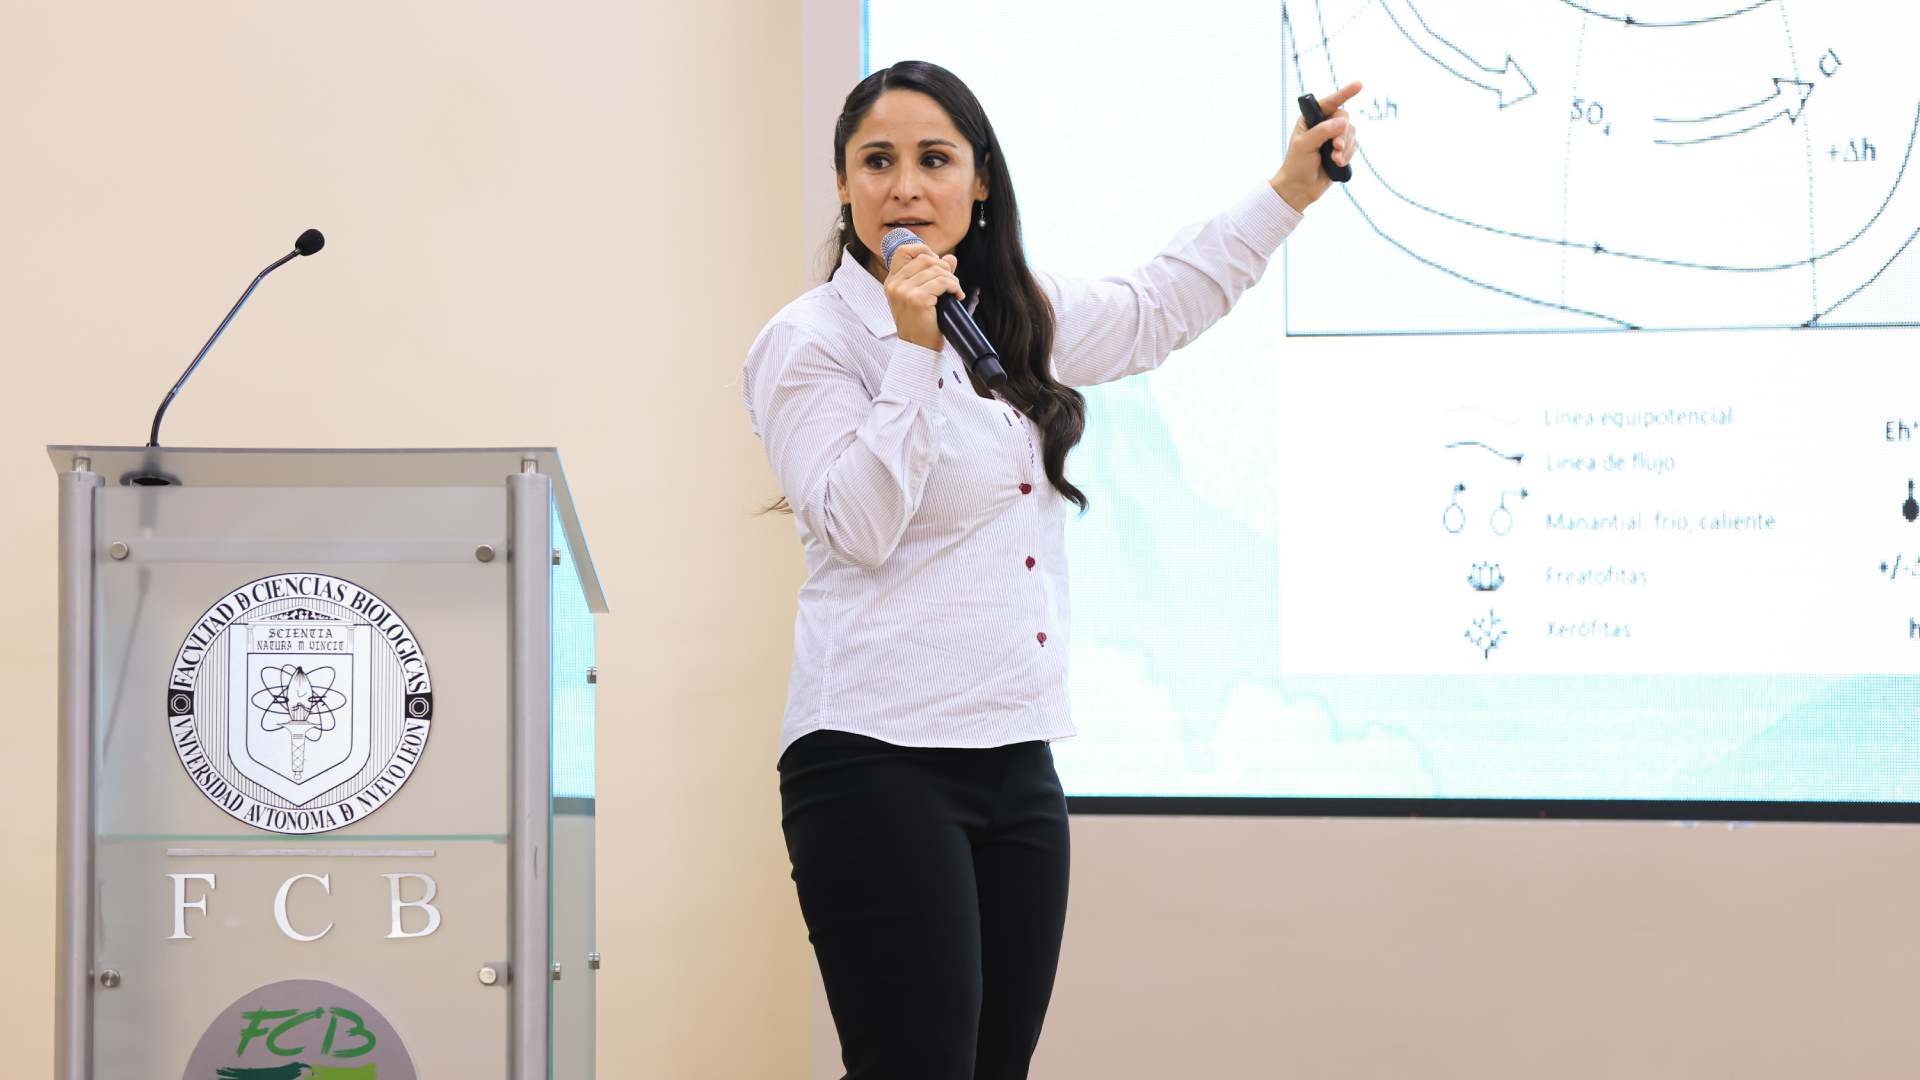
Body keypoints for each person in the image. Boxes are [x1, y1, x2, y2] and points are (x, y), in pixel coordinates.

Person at [740, 59, 1359, 1080]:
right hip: (874, 761)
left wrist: (1291, 187)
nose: (905, 187)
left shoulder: (1011, 315)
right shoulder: (809, 341)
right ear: (843, 184)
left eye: (934, 159)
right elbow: (857, 523)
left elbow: (1156, 305)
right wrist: (911, 350)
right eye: (877, 162)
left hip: (1017, 763)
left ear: (980, 181)